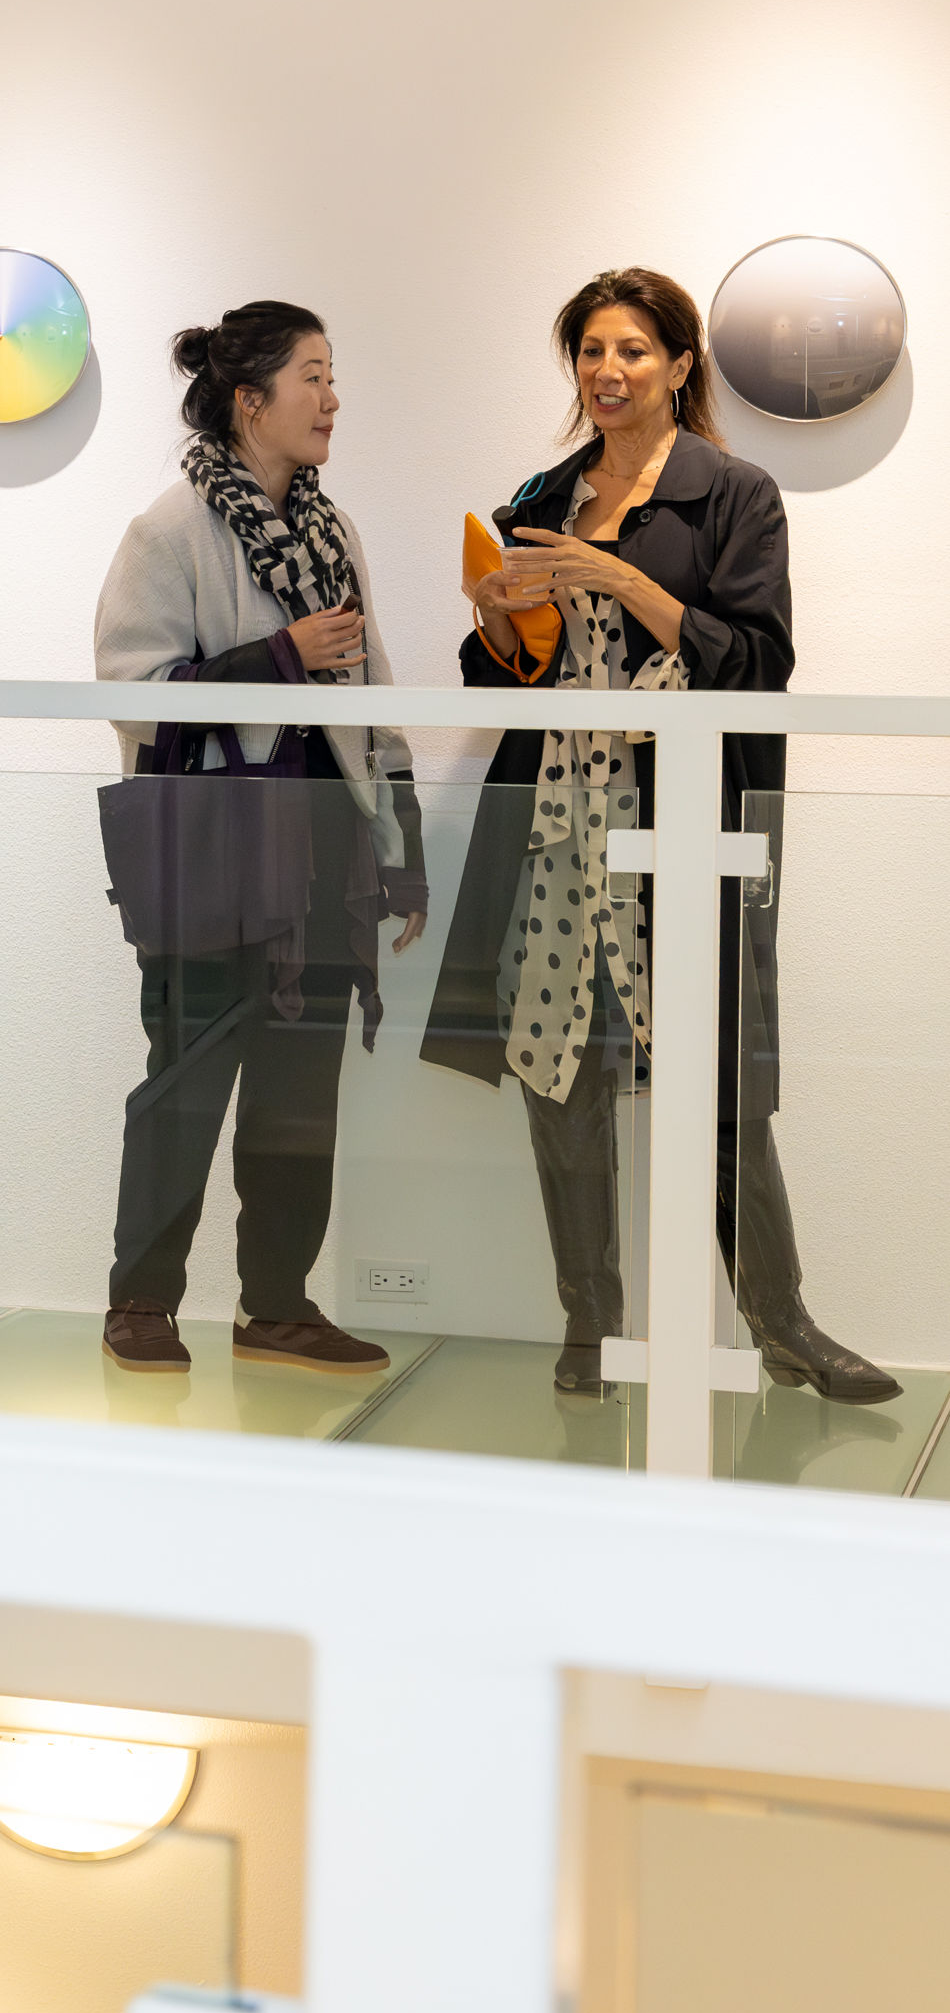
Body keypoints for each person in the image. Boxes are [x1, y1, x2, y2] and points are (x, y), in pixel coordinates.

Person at [422, 267, 897, 1404]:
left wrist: (614, 576)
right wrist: (497, 626)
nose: (607, 372)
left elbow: (756, 662)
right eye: (589, 351)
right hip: (553, 825)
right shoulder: (540, 493)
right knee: (560, 1073)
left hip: (680, 829)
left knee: (717, 1082)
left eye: (632, 350)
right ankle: (589, 1328)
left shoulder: (734, 493)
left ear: (680, 367)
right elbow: (506, 682)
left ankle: (783, 1328)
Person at [91, 304, 426, 1378]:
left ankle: (274, 1305)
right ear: (250, 401)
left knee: (297, 1101)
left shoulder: (333, 533)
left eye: (334, 377)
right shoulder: (170, 530)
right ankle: (141, 1301)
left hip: (323, 861)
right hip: (213, 857)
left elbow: (372, 695)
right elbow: (134, 697)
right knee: (183, 1084)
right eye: (312, 378)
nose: (331, 400)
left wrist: (402, 837)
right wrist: (278, 655)